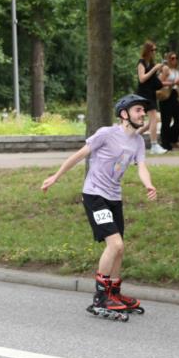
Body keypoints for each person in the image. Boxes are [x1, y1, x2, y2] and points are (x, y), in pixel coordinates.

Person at [41, 94, 158, 321]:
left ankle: (114, 293)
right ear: (124, 114)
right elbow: (79, 155)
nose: (143, 114)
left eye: (143, 110)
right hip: (95, 195)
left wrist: (148, 184)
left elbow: (141, 167)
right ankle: (101, 298)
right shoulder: (106, 133)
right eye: (138, 110)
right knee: (115, 244)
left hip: (114, 197)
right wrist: (55, 176)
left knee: (119, 248)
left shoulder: (137, 142)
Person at [137, 40, 167, 155]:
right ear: (147, 50)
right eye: (153, 50)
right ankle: (154, 145)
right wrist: (154, 69)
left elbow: (153, 80)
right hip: (144, 94)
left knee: (152, 121)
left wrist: (160, 72)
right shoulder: (141, 63)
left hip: (151, 94)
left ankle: (134, 135)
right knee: (154, 119)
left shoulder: (151, 63)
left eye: (155, 50)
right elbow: (142, 79)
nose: (155, 52)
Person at [158, 52, 179, 151]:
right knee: (166, 121)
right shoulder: (165, 69)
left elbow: (177, 86)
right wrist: (173, 82)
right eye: (172, 58)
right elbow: (159, 83)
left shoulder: (177, 70)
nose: (174, 60)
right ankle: (165, 144)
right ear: (168, 59)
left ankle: (172, 140)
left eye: (176, 58)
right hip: (166, 95)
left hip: (174, 94)